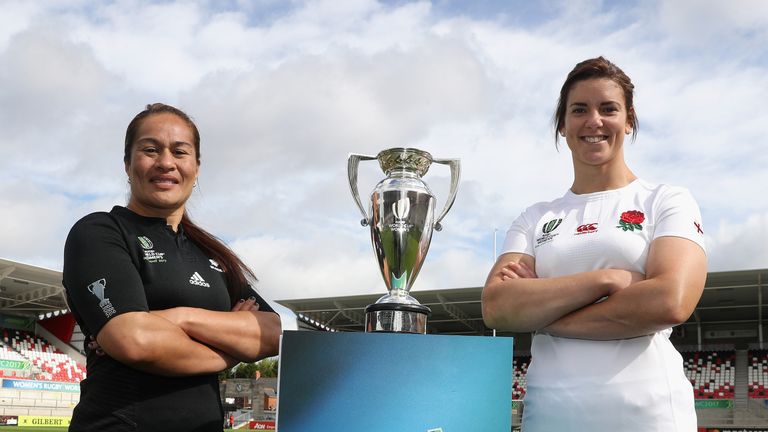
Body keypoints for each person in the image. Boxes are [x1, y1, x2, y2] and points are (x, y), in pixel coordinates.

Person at [481, 57, 707, 431]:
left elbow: (670, 300)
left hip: (649, 414)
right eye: (579, 109)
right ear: (563, 124)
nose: (594, 121)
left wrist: (546, 315)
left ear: (629, 119)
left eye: (608, 109)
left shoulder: (666, 200)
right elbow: (498, 307)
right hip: (551, 416)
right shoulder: (535, 217)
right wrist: (608, 279)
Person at [63, 103, 282, 431]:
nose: (166, 162)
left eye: (180, 152)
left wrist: (178, 318)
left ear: (196, 166)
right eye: (150, 150)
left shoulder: (212, 254)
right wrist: (231, 351)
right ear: (127, 163)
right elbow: (134, 340)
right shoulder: (100, 232)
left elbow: (271, 333)